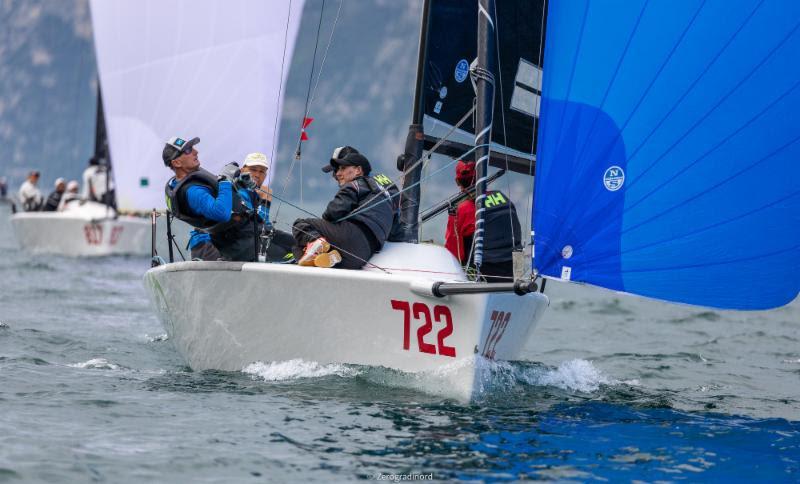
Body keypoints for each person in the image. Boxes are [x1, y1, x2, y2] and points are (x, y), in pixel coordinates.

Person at [292, 147, 396, 269]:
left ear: (358, 170)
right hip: (364, 254)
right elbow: (396, 230)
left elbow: (331, 213)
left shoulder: (356, 184)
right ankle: (328, 257)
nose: (336, 174)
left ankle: (318, 247)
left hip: (351, 236)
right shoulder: (387, 188)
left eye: (342, 168)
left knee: (301, 225)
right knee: (299, 248)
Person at [163, 136, 263, 262]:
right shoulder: (193, 191)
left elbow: (218, 193)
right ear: (176, 163)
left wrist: (237, 184)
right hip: (211, 245)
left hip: (225, 240)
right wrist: (225, 179)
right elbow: (221, 213)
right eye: (188, 150)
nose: (196, 152)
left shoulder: (185, 181)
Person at [444, 160, 522, 282]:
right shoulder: (502, 197)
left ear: (458, 181)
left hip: (483, 278)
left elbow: (453, 254)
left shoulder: (460, 210)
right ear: (482, 177)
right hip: (514, 275)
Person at [239, 152, 295, 261]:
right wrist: (265, 198)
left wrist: (266, 200)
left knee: (295, 245)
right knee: (288, 253)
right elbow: (256, 228)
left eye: (261, 171)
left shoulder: (254, 195)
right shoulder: (237, 191)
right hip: (238, 246)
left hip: (252, 241)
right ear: (242, 171)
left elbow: (263, 226)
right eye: (253, 169)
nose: (257, 175)